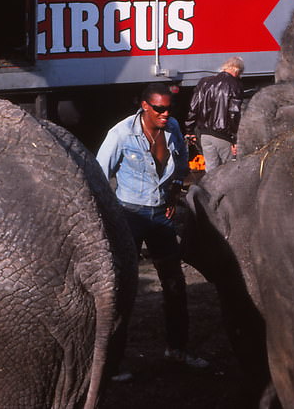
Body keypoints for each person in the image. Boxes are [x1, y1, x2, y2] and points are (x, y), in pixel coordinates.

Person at [95, 82, 209, 371]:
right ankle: (114, 363)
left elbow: (181, 163)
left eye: (168, 108)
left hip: (160, 216)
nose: (165, 114)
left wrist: (172, 192)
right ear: (145, 106)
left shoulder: (171, 129)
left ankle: (178, 349)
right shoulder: (120, 134)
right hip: (129, 216)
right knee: (122, 291)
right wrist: (109, 217)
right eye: (159, 108)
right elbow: (98, 175)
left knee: (174, 285)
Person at [185, 56, 245, 173]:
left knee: (211, 172)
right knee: (229, 171)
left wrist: (189, 131)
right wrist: (235, 140)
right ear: (237, 70)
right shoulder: (235, 85)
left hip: (205, 136)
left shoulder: (204, 82)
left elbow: (193, 107)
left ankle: (208, 191)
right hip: (223, 136)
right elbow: (234, 114)